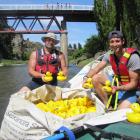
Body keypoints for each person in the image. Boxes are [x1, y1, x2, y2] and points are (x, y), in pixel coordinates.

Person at [83, 30, 140, 109]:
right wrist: (86, 78)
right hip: (117, 83)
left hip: (132, 89)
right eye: (112, 42)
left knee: (121, 111)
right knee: (95, 78)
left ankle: (136, 99)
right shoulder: (109, 54)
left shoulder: (133, 57)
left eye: (117, 41)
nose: (115, 44)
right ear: (109, 44)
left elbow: (134, 84)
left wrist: (118, 88)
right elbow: (97, 68)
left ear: (123, 41)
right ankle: (108, 106)